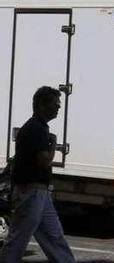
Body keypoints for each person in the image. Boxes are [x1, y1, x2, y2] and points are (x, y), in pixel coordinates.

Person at [0, 86, 76, 263]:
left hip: (39, 193)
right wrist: (54, 145)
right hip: (31, 192)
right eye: (55, 104)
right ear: (42, 105)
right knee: (18, 239)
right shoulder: (36, 128)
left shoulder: (38, 127)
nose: (58, 108)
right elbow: (44, 160)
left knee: (54, 236)